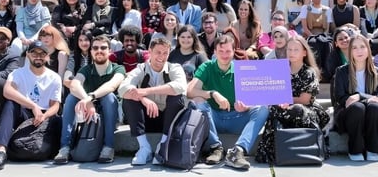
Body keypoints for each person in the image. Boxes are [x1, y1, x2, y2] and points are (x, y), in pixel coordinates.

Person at [187, 34, 269, 170]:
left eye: (228, 51)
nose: (224, 55)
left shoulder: (242, 69)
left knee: (263, 108)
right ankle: (216, 148)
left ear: (233, 51)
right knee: (198, 101)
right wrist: (213, 94)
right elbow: (190, 91)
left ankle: (238, 151)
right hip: (213, 120)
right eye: (221, 51)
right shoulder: (207, 67)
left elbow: (257, 98)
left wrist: (246, 107)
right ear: (214, 52)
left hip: (237, 118)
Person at [0, 41, 62, 171]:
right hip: (24, 112)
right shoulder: (18, 73)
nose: (38, 56)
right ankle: (0, 151)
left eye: (42, 53)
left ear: (48, 56)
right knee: (10, 104)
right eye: (34, 53)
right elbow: (7, 91)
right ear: (27, 55)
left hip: (44, 115)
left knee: (56, 118)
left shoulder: (54, 77)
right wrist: (33, 105)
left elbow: (55, 106)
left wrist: (44, 115)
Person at [256, 36, 330, 163]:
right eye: (289, 49)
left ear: (304, 53)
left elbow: (305, 100)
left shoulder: (309, 72)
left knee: (296, 109)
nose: (292, 52)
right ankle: (273, 152)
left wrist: (286, 100)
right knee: (273, 109)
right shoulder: (279, 70)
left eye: (296, 50)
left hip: (305, 109)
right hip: (281, 107)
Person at [54, 35, 126, 164]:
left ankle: (108, 147)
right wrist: (88, 102)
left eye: (103, 48)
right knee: (71, 98)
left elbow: (111, 85)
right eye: (95, 48)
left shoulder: (118, 68)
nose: (99, 50)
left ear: (110, 51)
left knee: (109, 97)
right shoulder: (86, 69)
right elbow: (75, 84)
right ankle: (64, 147)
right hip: (88, 113)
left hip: (111, 113)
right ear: (91, 51)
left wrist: (89, 98)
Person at [118, 37, 187, 166]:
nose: (161, 56)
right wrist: (143, 99)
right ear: (150, 51)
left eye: (165, 53)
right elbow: (123, 88)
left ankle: (163, 146)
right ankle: (144, 148)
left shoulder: (174, 68)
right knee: (129, 99)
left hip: (168, 120)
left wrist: (146, 92)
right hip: (146, 118)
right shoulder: (141, 68)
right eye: (158, 52)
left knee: (177, 97)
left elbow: (181, 86)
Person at [333, 34, 378, 161]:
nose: (359, 51)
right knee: (358, 107)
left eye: (362, 47)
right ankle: (355, 149)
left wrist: (360, 96)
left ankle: (372, 148)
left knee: (374, 107)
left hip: (372, 114)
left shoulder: (377, 72)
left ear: (368, 49)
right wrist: (366, 98)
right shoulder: (341, 71)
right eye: (355, 48)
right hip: (348, 114)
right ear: (350, 51)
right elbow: (341, 97)